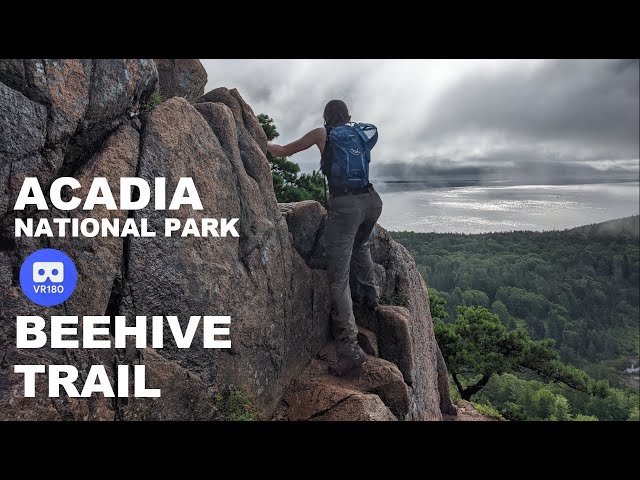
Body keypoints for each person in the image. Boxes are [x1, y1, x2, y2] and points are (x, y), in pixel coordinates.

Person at [267, 99, 383, 376]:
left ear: (325, 117)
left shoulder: (323, 134)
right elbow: (372, 131)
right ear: (348, 116)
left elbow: (283, 151)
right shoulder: (360, 133)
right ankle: (371, 299)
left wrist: (262, 140)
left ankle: (349, 348)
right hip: (372, 202)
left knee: (338, 277)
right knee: (361, 244)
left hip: (346, 207)